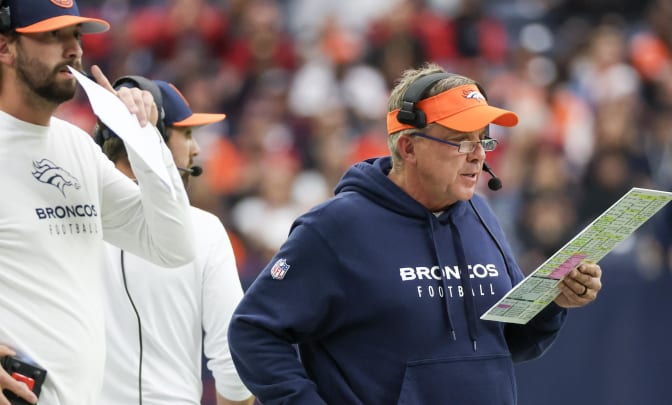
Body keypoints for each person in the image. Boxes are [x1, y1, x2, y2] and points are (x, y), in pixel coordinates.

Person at [227, 62, 604, 405]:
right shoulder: (335, 227)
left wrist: (555, 302)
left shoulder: (480, 214)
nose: (478, 155)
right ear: (408, 147)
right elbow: (253, 332)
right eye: (460, 140)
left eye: (483, 139)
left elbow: (509, 344)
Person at [0, 1, 195, 405]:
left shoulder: (76, 148)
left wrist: (144, 140)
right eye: (52, 35)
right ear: (5, 48)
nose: (73, 49)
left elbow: (173, 248)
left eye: (76, 35)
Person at [95, 77, 255, 405]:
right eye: (186, 134)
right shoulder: (205, 230)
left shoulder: (72, 219)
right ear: (153, 135)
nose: (196, 149)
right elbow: (234, 364)